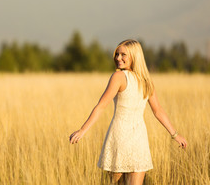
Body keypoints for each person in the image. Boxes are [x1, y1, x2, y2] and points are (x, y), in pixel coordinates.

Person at [69, 39, 187, 185]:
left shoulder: (129, 78)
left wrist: (175, 135)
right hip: (130, 138)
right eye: (117, 54)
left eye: (123, 54)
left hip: (128, 137)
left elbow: (157, 110)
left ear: (134, 56)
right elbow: (102, 106)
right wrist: (82, 131)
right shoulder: (136, 79)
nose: (118, 58)